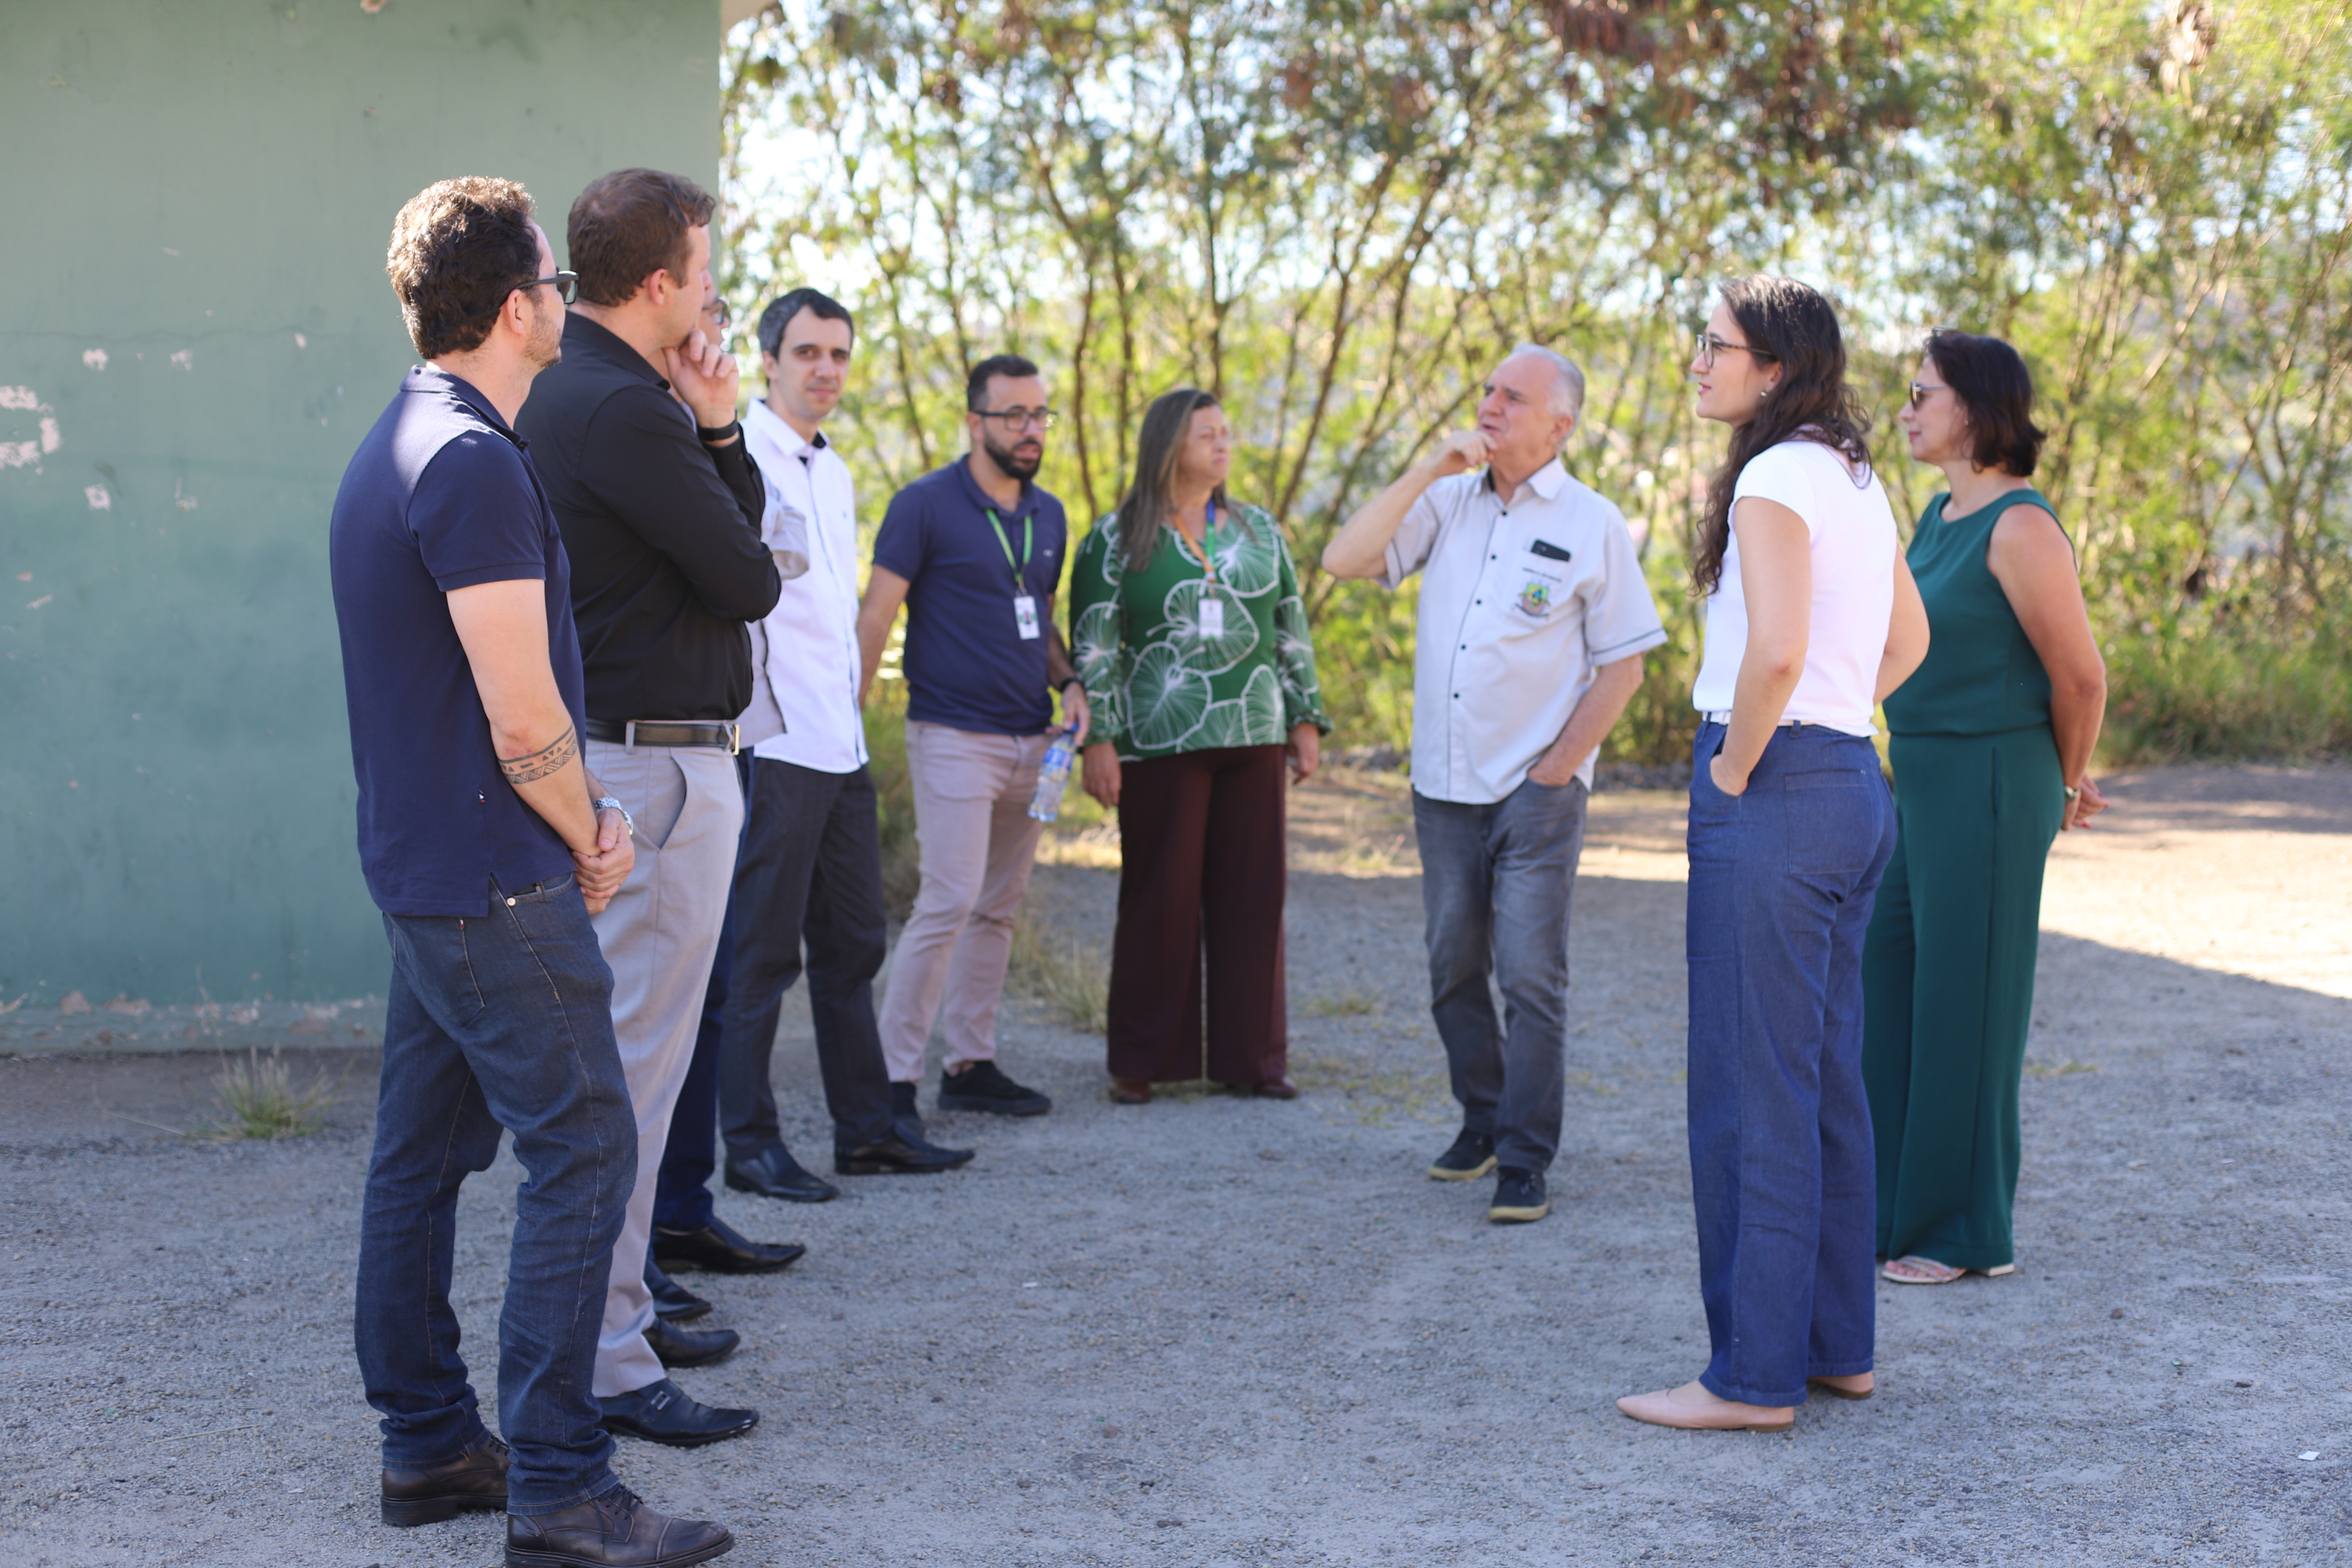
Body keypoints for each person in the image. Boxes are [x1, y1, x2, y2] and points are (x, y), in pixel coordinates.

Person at [333, 176, 731, 1566]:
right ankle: (561, 1486)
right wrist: (591, 832)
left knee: (424, 1158)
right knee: (586, 1148)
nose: (566, 298)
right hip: (497, 877)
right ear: (517, 309)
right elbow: (521, 715)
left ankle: (431, 1445)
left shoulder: (403, 438)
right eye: (555, 283)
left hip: (429, 870)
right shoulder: (472, 461)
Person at [1618, 277, 1928, 1433]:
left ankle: (1750, 1378)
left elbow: (1777, 651)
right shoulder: (1852, 473)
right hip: (1851, 782)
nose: (1699, 360)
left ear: (1777, 366)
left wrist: (1742, 764)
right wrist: (1836, 720)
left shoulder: (1769, 476)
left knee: (1753, 1086)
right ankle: (1837, 1348)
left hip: (1780, 786)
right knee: (1821, 1078)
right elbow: (1910, 637)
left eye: (1718, 345)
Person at [514, 167, 788, 1448]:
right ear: (661, 281)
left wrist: (724, 428)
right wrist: (710, 439)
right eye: (705, 266)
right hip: (654, 768)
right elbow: (749, 575)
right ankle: (611, 1360)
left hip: (654, 761)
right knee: (630, 1074)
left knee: (638, 1069)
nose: (717, 290)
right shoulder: (616, 407)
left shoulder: (612, 393)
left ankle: (617, 1317)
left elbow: (738, 551)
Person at [1321, 347, 1665, 1222]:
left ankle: (1524, 1155)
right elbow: (1343, 560)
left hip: (1534, 792)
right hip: (1441, 786)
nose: (1491, 405)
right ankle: (1481, 1116)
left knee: (1530, 976)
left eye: (1513, 397)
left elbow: (1623, 668)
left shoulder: (1592, 522)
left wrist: (1557, 770)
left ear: (1561, 424)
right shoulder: (1446, 500)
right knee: (1451, 966)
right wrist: (1430, 466)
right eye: (1487, 391)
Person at [713, 286, 975, 1204]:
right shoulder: (737, 454)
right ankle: (747, 1144)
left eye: (838, 355)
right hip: (774, 737)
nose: (826, 370)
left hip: (840, 738)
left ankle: (867, 1131)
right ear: (771, 358)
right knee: (759, 953)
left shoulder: (835, 468)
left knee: (854, 942)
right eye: (809, 353)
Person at [1864, 331, 2110, 1286]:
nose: (1907, 407)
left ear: (1976, 406)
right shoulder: (1934, 516)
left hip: (1995, 782)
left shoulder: (2021, 526)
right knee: (1889, 986)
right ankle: (1889, 1206)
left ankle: (1964, 1231)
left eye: (1923, 392)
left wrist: (2061, 778)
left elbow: (2080, 677)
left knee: (1969, 1001)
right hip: (1917, 779)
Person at [1070, 387, 1330, 1102]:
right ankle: (1143, 1060)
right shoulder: (1114, 538)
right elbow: (1096, 646)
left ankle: (1255, 1061)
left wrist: (1304, 719)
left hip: (1253, 730)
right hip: (1159, 738)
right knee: (1163, 897)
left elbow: (1289, 625)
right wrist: (1103, 741)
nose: (1223, 444)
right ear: (1168, 446)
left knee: (1255, 897)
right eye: (1206, 434)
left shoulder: (1258, 531)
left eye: (1226, 432)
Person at [859, 354, 1089, 1127]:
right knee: (948, 901)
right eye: (1014, 415)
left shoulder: (1050, 514)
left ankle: (971, 1062)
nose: (1031, 430)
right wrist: (846, 723)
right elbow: (876, 618)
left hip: (1035, 740)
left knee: (998, 907)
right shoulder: (923, 505)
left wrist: (1074, 682)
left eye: (1040, 415)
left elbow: (1038, 618)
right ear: (975, 422)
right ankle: (892, 1084)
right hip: (954, 734)